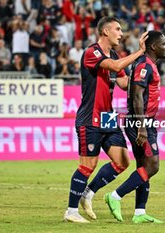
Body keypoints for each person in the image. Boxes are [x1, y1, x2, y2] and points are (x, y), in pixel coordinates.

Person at [63, 16, 148, 223]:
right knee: (87, 165)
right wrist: (140, 52)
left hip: (108, 117)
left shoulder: (114, 54)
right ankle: (71, 211)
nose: (121, 33)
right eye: (117, 29)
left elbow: (123, 83)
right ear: (105, 32)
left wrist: (144, 74)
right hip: (90, 117)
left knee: (122, 161)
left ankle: (88, 193)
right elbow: (115, 65)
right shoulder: (92, 52)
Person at [104, 30, 165, 223]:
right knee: (153, 166)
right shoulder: (144, 65)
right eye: (163, 44)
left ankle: (140, 212)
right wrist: (141, 127)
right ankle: (114, 196)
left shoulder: (150, 65)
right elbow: (137, 96)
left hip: (145, 121)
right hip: (141, 122)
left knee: (143, 166)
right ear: (153, 46)